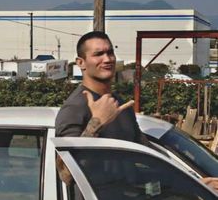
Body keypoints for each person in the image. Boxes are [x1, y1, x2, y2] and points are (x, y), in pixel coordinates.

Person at [55, 31, 218, 195]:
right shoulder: (75, 108)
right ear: (81, 62)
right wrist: (97, 123)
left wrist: (193, 182)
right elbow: (66, 175)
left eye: (110, 52)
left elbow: (152, 158)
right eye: (98, 54)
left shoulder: (119, 104)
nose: (107, 59)